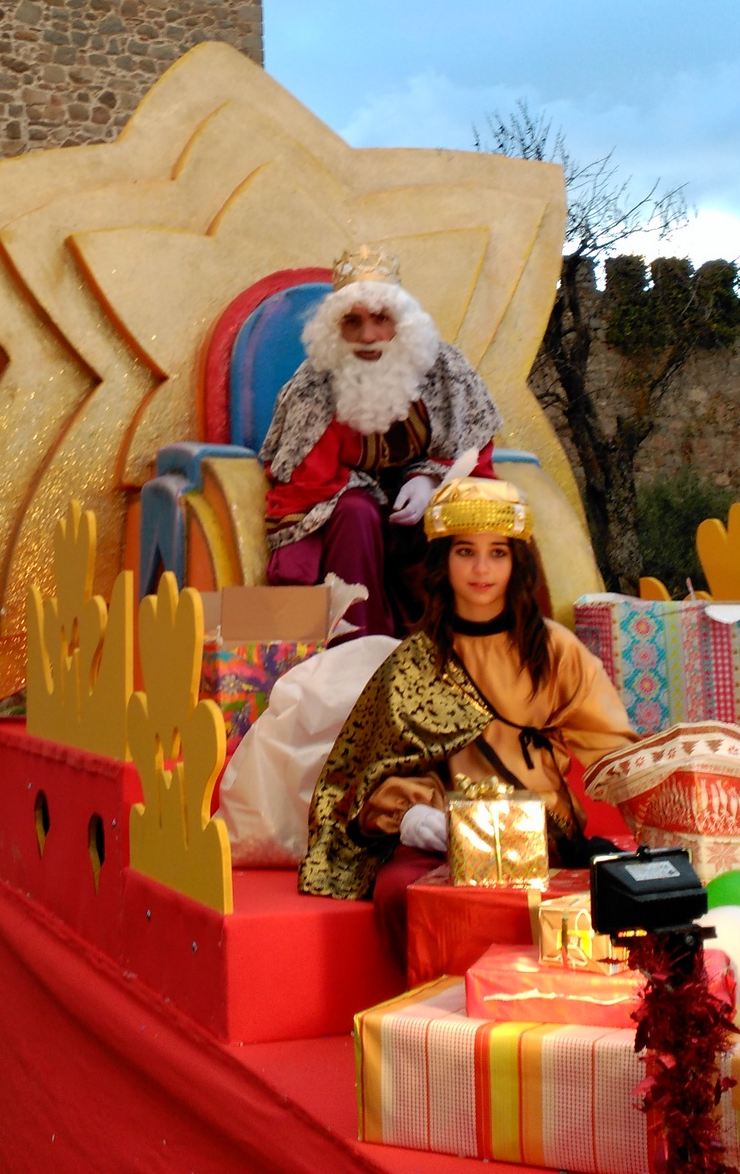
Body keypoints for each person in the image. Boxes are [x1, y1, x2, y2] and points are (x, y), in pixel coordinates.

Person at [297, 475, 637, 961]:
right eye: (465, 552)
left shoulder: (555, 649)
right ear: (443, 560)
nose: (482, 569)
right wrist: (411, 815)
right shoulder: (414, 660)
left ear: (517, 562)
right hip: (446, 841)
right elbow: (359, 778)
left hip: (545, 837)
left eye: (498, 552)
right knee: (400, 893)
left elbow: (618, 752)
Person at [261, 244, 501, 636]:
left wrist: (431, 479)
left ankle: (454, 645)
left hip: (426, 516)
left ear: (402, 322)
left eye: (380, 319)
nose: (367, 336)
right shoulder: (313, 386)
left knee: (455, 515)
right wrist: (370, 494)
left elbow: (472, 446)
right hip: (351, 517)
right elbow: (306, 481)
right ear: (335, 329)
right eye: (352, 322)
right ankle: (358, 647)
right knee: (356, 512)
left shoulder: (445, 369)